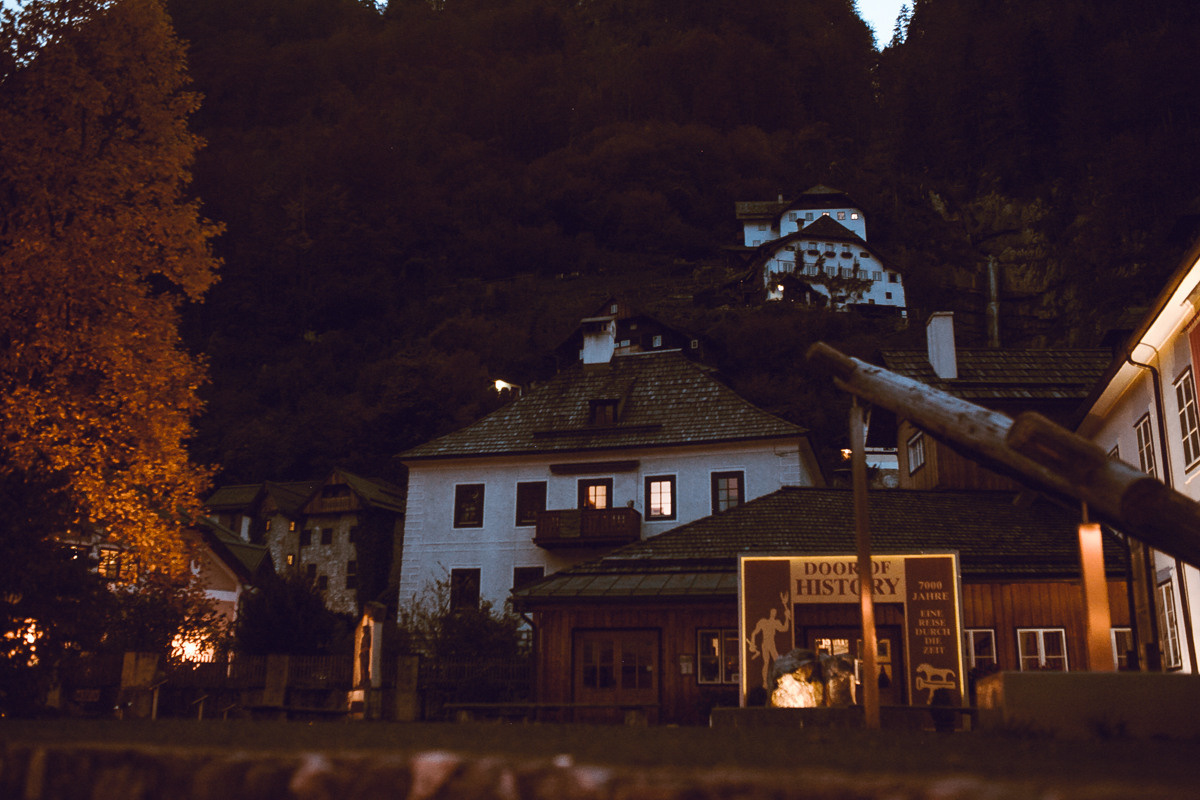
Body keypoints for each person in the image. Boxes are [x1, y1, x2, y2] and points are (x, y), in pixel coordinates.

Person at [747, 592, 793, 688]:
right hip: (765, 643)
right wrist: (753, 642)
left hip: (772, 643)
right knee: (766, 662)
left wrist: (786, 618)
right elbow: (754, 632)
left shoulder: (775, 622)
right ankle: (765, 682)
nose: (773, 613)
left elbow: (785, 628)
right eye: (772, 612)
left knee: (777, 661)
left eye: (775, 613)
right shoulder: (763, 622)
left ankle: (778, 680)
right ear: (770, 613)